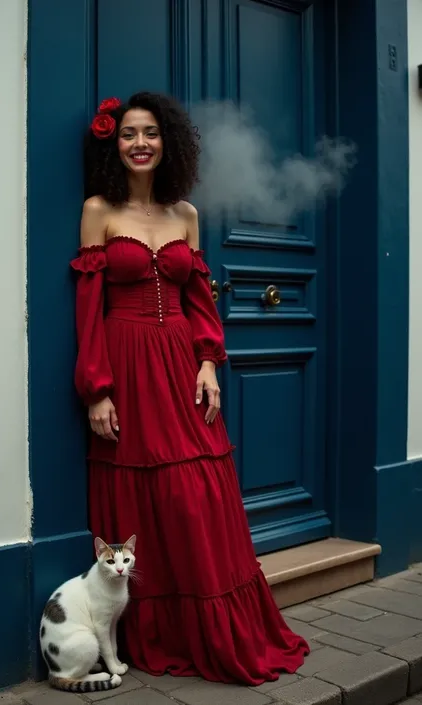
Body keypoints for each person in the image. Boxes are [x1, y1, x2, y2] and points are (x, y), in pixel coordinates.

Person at [71, 91, 309, 685]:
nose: (140, 143)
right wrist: (97, 389)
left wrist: (209, 361)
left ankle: (216, 626)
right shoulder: (98, 209)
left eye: (150, 132)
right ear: (114, 143)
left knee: (196, 492)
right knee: (143, 494)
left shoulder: (186, 215)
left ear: (167, 142)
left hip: (180, 363)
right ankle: (158, 629)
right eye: (128, 134)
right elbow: (88, 308)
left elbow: (199, 299)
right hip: (125, 362)